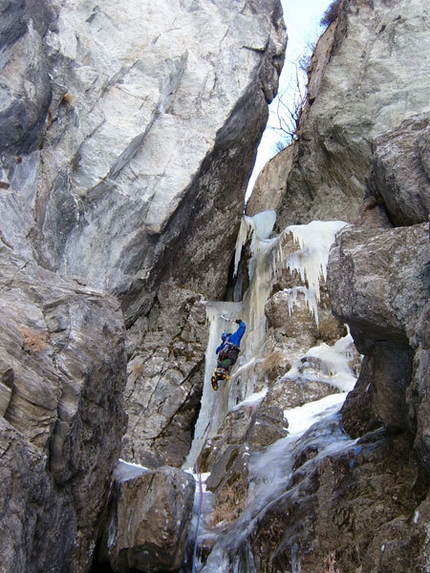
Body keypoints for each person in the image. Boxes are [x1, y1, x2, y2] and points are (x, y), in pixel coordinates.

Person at [211, 319, 246, 390]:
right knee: (232, 360)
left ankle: (217, 377)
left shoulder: (222, 345)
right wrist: (239, 322)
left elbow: (217, 351)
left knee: (225, 369)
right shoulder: (234, 337)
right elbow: (243, 327)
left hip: (222, 356)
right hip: (232, 351)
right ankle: (221, 368)